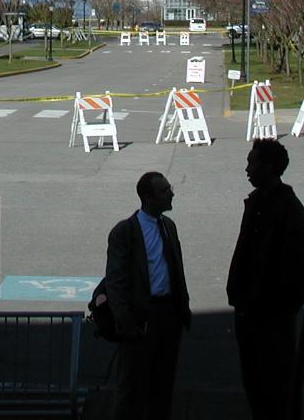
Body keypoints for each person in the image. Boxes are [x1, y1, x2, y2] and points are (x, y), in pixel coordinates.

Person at [228, 139, 304, 419]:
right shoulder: (256, 202)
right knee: (255, 387)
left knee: (276, 389)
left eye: (252, 163)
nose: (247, 169)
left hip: (271, 319)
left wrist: (278, 306)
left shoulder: (287, 209)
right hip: (249, 313)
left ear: (269, 168)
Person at [105, 171, 191, 420]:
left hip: (168, 317)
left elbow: (176, 269)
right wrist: (126, 323)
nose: (171, 193)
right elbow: (116, 281)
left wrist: (182, 310)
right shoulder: (124, 232)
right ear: (148, 198)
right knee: (131, 389)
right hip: (142, 320)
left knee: (163, 387)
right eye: (165, 191)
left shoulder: (169, 227)